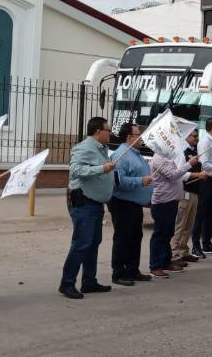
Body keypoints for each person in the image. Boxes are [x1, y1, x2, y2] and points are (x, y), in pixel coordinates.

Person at [59, 117, 115, 299]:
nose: (110, 133)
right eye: (108, 130)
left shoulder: (102, 149)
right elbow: (75, 170)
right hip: (83, 202)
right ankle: (67, 283)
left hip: (95, 202)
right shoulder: (84, 148)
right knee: (82, 243)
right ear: (98, 131)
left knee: (93, 243)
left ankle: (89, 281)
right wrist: (101, 169)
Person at [108, 123, 153, 287]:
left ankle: (132, 269)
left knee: (135, 237)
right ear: (129, 137)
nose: (141, 138)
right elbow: (118, 181)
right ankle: (118, 272)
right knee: (123, 237)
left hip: (135, 204)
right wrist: (140, 181)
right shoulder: (121, 155)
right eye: (138, 135)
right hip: (123, 203)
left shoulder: (135, 153)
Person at [149, 151, 199, 278]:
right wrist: (189, 164)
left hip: (172, 201)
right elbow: (172, 175)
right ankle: (155, 266)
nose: (171, 145)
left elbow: (177, 174)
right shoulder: (158, 158)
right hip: (162, 202)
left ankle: (166, 261)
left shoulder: (168, 157)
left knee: (168, 233)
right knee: (160, 234)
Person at [171, 130, 207, 263]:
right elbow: (180, 173)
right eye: (194, 136)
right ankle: (174, 253)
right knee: (180, 224)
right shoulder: (181, 152)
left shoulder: (196, 151)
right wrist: (197, 175)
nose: (196, 138)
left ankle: (184, 250)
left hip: (195, 191)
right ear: (186, 136)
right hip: (184, 191)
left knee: (189, 225)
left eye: (197, 136)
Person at [193, 118, 212, 258]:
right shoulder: (205, 142)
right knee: (201, 214)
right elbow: (204, 164)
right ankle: (195, 245)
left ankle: (207, 243)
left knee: (210, 214)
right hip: (205, 181)